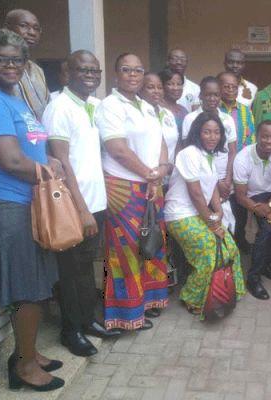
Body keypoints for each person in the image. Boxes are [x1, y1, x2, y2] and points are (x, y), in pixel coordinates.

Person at [0, 29, 64, 391]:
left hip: (28, 203)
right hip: (3, 205)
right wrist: (50, 171)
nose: (11, 66)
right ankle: (23, 367)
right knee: (28, 289)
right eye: (2, 59)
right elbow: (10, 161)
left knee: (37, 285)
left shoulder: (16, 100)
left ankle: (28, 351)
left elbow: (32, 148)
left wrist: (50, 158)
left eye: (17, 60)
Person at [44, 50, 120, 358]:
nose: (90, 74)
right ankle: (70, 330)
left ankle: (88, 320)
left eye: (95, 70)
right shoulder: (59, 107)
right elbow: (61, 162)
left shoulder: (93, 106)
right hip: (73, 206)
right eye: (83, 70)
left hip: (95, 202)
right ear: (67, 73)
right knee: (71, 270)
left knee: (86, 267)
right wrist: (83, 209)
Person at [95, 53, 170, 331]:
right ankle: (125, 315)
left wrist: (161, 169)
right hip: (123, 187)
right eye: (126, 70)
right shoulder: (110, 106)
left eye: (138, 70)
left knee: (151, 244)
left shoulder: (146, 105)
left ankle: (147, 302)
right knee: (125, 250)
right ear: (116, 74)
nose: (133, 75)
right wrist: (150, 174)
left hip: (151, 185)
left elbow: (160, 139)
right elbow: (117, 149)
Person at [164, 112, 246, 316]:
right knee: (210, 253)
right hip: (181, 215)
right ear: (197, 133)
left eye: (217, 132)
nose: (212, 136)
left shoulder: (208, 155)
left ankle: (226, 291)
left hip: (200, 213)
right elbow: (195, 193)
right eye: (207, 132)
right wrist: (212, 222)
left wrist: (218, 210)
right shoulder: (189, 153)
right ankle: (193, 297)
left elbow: (213, 188)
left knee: (231, 248)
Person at [234, 120, 271, 299]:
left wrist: (270, 205)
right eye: (265, 137)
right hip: (254, 195)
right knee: (267, 230)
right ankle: (253, 278)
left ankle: (266, 263)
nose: (269, 141)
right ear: (257, 137)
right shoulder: (242, 158)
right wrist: (259, 209)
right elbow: (240, 195)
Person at [0, 9, 49, 119]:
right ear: (6, 28)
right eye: (24, 25)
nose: (31, 32)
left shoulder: (37, 70)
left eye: (36, 28)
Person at [182, 76, 237, 231]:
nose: (212, 98)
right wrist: (215, 181)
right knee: (204, 220)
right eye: (208, 94)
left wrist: (227, 179)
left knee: (225, 222)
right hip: (202, 179)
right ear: (200, 95)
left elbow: (232, 151)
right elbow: (190, 151)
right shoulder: (190, 119)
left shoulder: (227, 119)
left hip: (225, 180)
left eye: (216, 95)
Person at [218, 71, 256, 251]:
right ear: (219, 87)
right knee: (220, 206)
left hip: (240, 166)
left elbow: (251, 138)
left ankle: (239, 239)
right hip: (219, 167)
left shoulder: (245, 110)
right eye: (226, 86)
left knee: (240, 206)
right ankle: (224, 242)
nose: (231, 90)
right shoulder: (213, 109)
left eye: (234, 86)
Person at [139, 72, 179, 171]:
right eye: (151, 87)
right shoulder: (136, 113)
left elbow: (176, 143)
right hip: (146, 173)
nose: (156, 91)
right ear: (140, 90)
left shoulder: (168, 114)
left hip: (168, 174)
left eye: (160, 87)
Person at [159, 68, 188, 136]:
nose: (176, 88)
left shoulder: (184, 110)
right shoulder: (157, 109)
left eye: (179, 84)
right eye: (170, 84)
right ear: (161, 86)